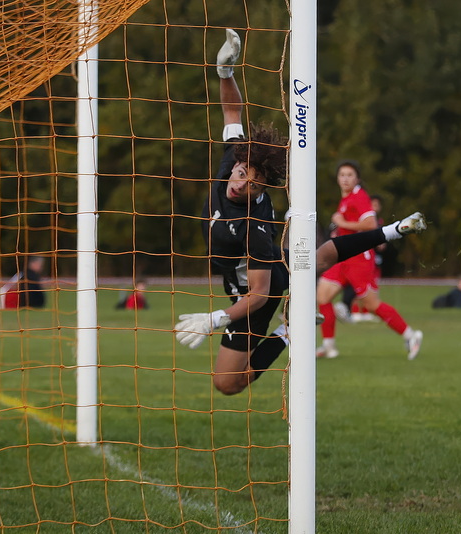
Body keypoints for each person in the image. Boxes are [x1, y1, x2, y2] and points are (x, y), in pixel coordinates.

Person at [173, 29, 428, 396]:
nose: (240, 184)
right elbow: (232, 110)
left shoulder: (254, 228)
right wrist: (225, 72)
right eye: (241, 175)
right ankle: (393, 230)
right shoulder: (235, 159)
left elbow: (259, 294)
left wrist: (214, 320)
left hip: (254, 291)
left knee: (227, 383)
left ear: (263, 190)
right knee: (317, 257)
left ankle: (287, 331)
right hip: (258, 269)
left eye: (252, 185)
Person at [316, 161, 423, 360]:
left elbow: (371, 224)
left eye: (350, 175)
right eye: (342, 175)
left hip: (359, 258)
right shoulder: (346, 198)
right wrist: (339, 230)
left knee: (372, 304)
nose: (345, 178)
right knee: (322, 296)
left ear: (357, 178)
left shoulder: (359, 196)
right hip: (343, 258)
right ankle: (329, 346)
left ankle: (411, 335)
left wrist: (342, 223)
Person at [334, 194, 385, 323]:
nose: (374, 208)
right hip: (358, 256)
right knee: (357, 286)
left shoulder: (376, 221)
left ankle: (357, 309)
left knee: (367, 288)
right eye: (372, 205)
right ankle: (351, 309)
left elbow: (381, 245)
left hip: (369, 257)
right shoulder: (361, 220)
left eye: (377, 205)